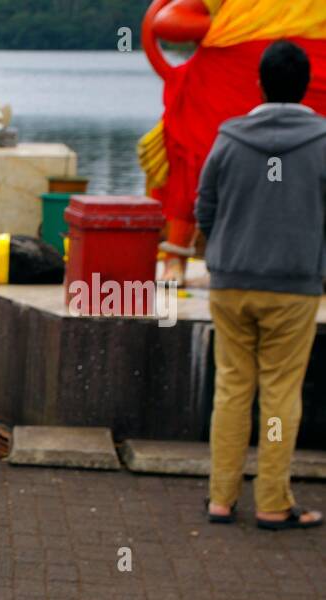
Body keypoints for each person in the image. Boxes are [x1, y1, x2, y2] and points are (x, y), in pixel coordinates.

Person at [196, 39, 325, 530]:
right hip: (294, 284)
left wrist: (228, 248)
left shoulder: (230, 136)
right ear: (307, 84)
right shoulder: (321, 139)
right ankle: (273, 503)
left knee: (231, 389)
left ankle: (221, 499)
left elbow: (203, 206)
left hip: (230, 282)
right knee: (280, 393)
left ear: (260, 82)